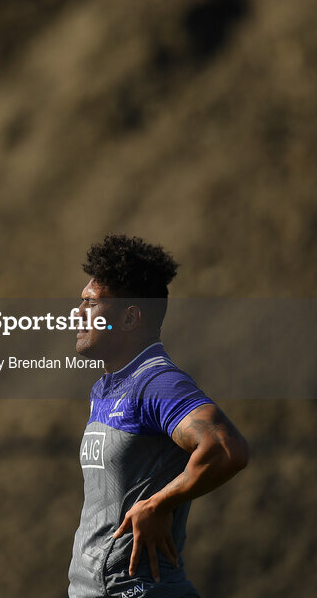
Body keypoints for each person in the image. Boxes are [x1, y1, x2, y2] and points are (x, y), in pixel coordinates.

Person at [68, 235, 249, 598]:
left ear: (131, 316)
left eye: (91, 303)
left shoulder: (156, 382)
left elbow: (226, 448)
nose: (77, 312)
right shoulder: (105, 388)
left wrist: (159, 503)